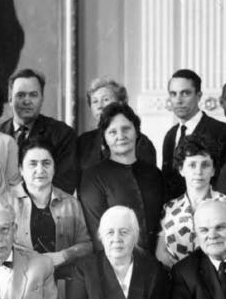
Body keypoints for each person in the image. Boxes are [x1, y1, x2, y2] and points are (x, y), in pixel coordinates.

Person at [79, 103, 165, 255]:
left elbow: (163, 222)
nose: (120, 136)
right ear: (104, 138)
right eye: (112, 132)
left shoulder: (154, 174)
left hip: (157, 261)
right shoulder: (93, 177)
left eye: (126, 129)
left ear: (136, 131)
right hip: (114, 261)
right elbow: (98, 234)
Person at [10, 140, 91, 278]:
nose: (40, 170)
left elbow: (87, 245)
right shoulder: (4, 203)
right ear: (21, 169)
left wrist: (63, 256)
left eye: (46, 163)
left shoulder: (71, 204)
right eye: (33, 164)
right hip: (19, 281)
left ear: (54, 168)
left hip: (63, 282)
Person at [156, 137, 226, 268]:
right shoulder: (169, 207)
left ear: (213, 170)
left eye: (205, 165)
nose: (198, 172)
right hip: (174, 276)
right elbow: (161, 253)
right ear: (181, 169)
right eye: (192, 165)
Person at [0, 68, 79, 194]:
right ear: (10, 99)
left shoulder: (62, 134)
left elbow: (64, 185)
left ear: (42, 99)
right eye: (20, 95)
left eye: (33, 95)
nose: (27, 101)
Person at [161, 69, 226, 199]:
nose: (178, 100)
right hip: (177, 208)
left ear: (198, 96)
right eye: (173, 94)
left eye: (185, 93)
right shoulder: (170, 135)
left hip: (211, 206)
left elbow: (225, 181)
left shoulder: (220, 131)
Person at [76, 77, 157, 172]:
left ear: (120, 103)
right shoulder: (84, 141)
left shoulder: (140, 142)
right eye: (95, 101)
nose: (99, 106)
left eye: (105, 99)